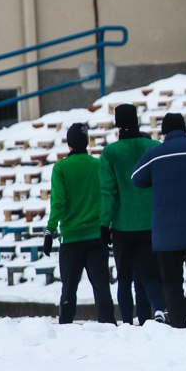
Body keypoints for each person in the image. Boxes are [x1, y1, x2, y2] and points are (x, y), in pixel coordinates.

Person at [131, 113, 186, 329]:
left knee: (172, 283)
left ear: (164, 132)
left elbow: (136, 178)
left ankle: (179, 325)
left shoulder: (155, 154)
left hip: (167, 234)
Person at [43, 123, 115, 325]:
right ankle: (108, 325)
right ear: (87, 142)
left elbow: (58, 203)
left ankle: (66, 325)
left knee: (69, 288)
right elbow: (107, 196)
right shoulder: (98, 165)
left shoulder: (61, 168)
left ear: (69, 143)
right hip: (96, 236)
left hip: (71, 238)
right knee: (101, 287)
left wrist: (50, 230)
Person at [99, 103, 165, 324]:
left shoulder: (110, 152)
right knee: (150, 274)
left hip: (122, 224)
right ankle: (159, 310)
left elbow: (109, 191)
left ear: (117, 124)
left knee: (125, 278)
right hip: (150, 222)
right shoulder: (154, 147)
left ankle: (127, 321)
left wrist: (104, 223)